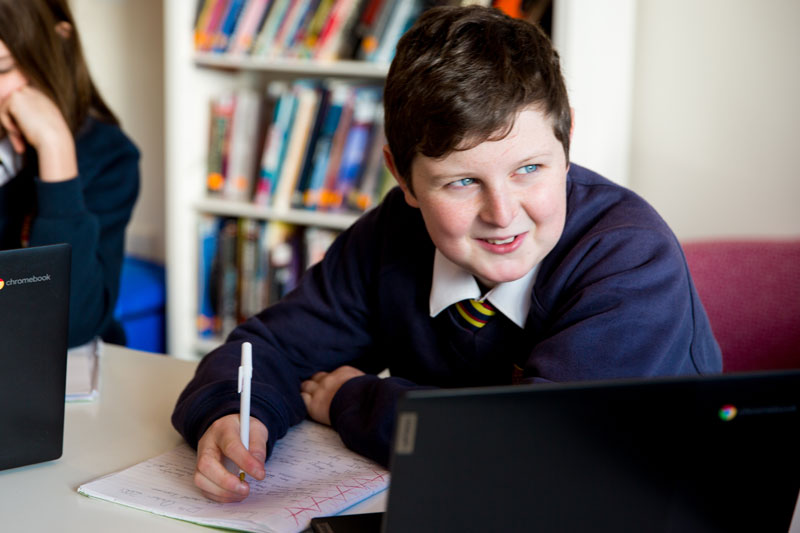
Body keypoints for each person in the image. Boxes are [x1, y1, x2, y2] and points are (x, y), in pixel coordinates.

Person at [172, 5, 722, 503]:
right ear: (402, 178)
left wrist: (355, 399)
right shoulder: (393, 233)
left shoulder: (628, 256)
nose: (503, 213)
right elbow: (266, 349)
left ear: (567, 138)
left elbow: (539, 455)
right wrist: (234, 413)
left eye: (529, 169)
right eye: (461, 182)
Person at [0, 0, 140, 348]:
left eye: (2, 70)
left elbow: (72, 326)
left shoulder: (107, 156)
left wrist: (56, 151)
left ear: (55, 44)